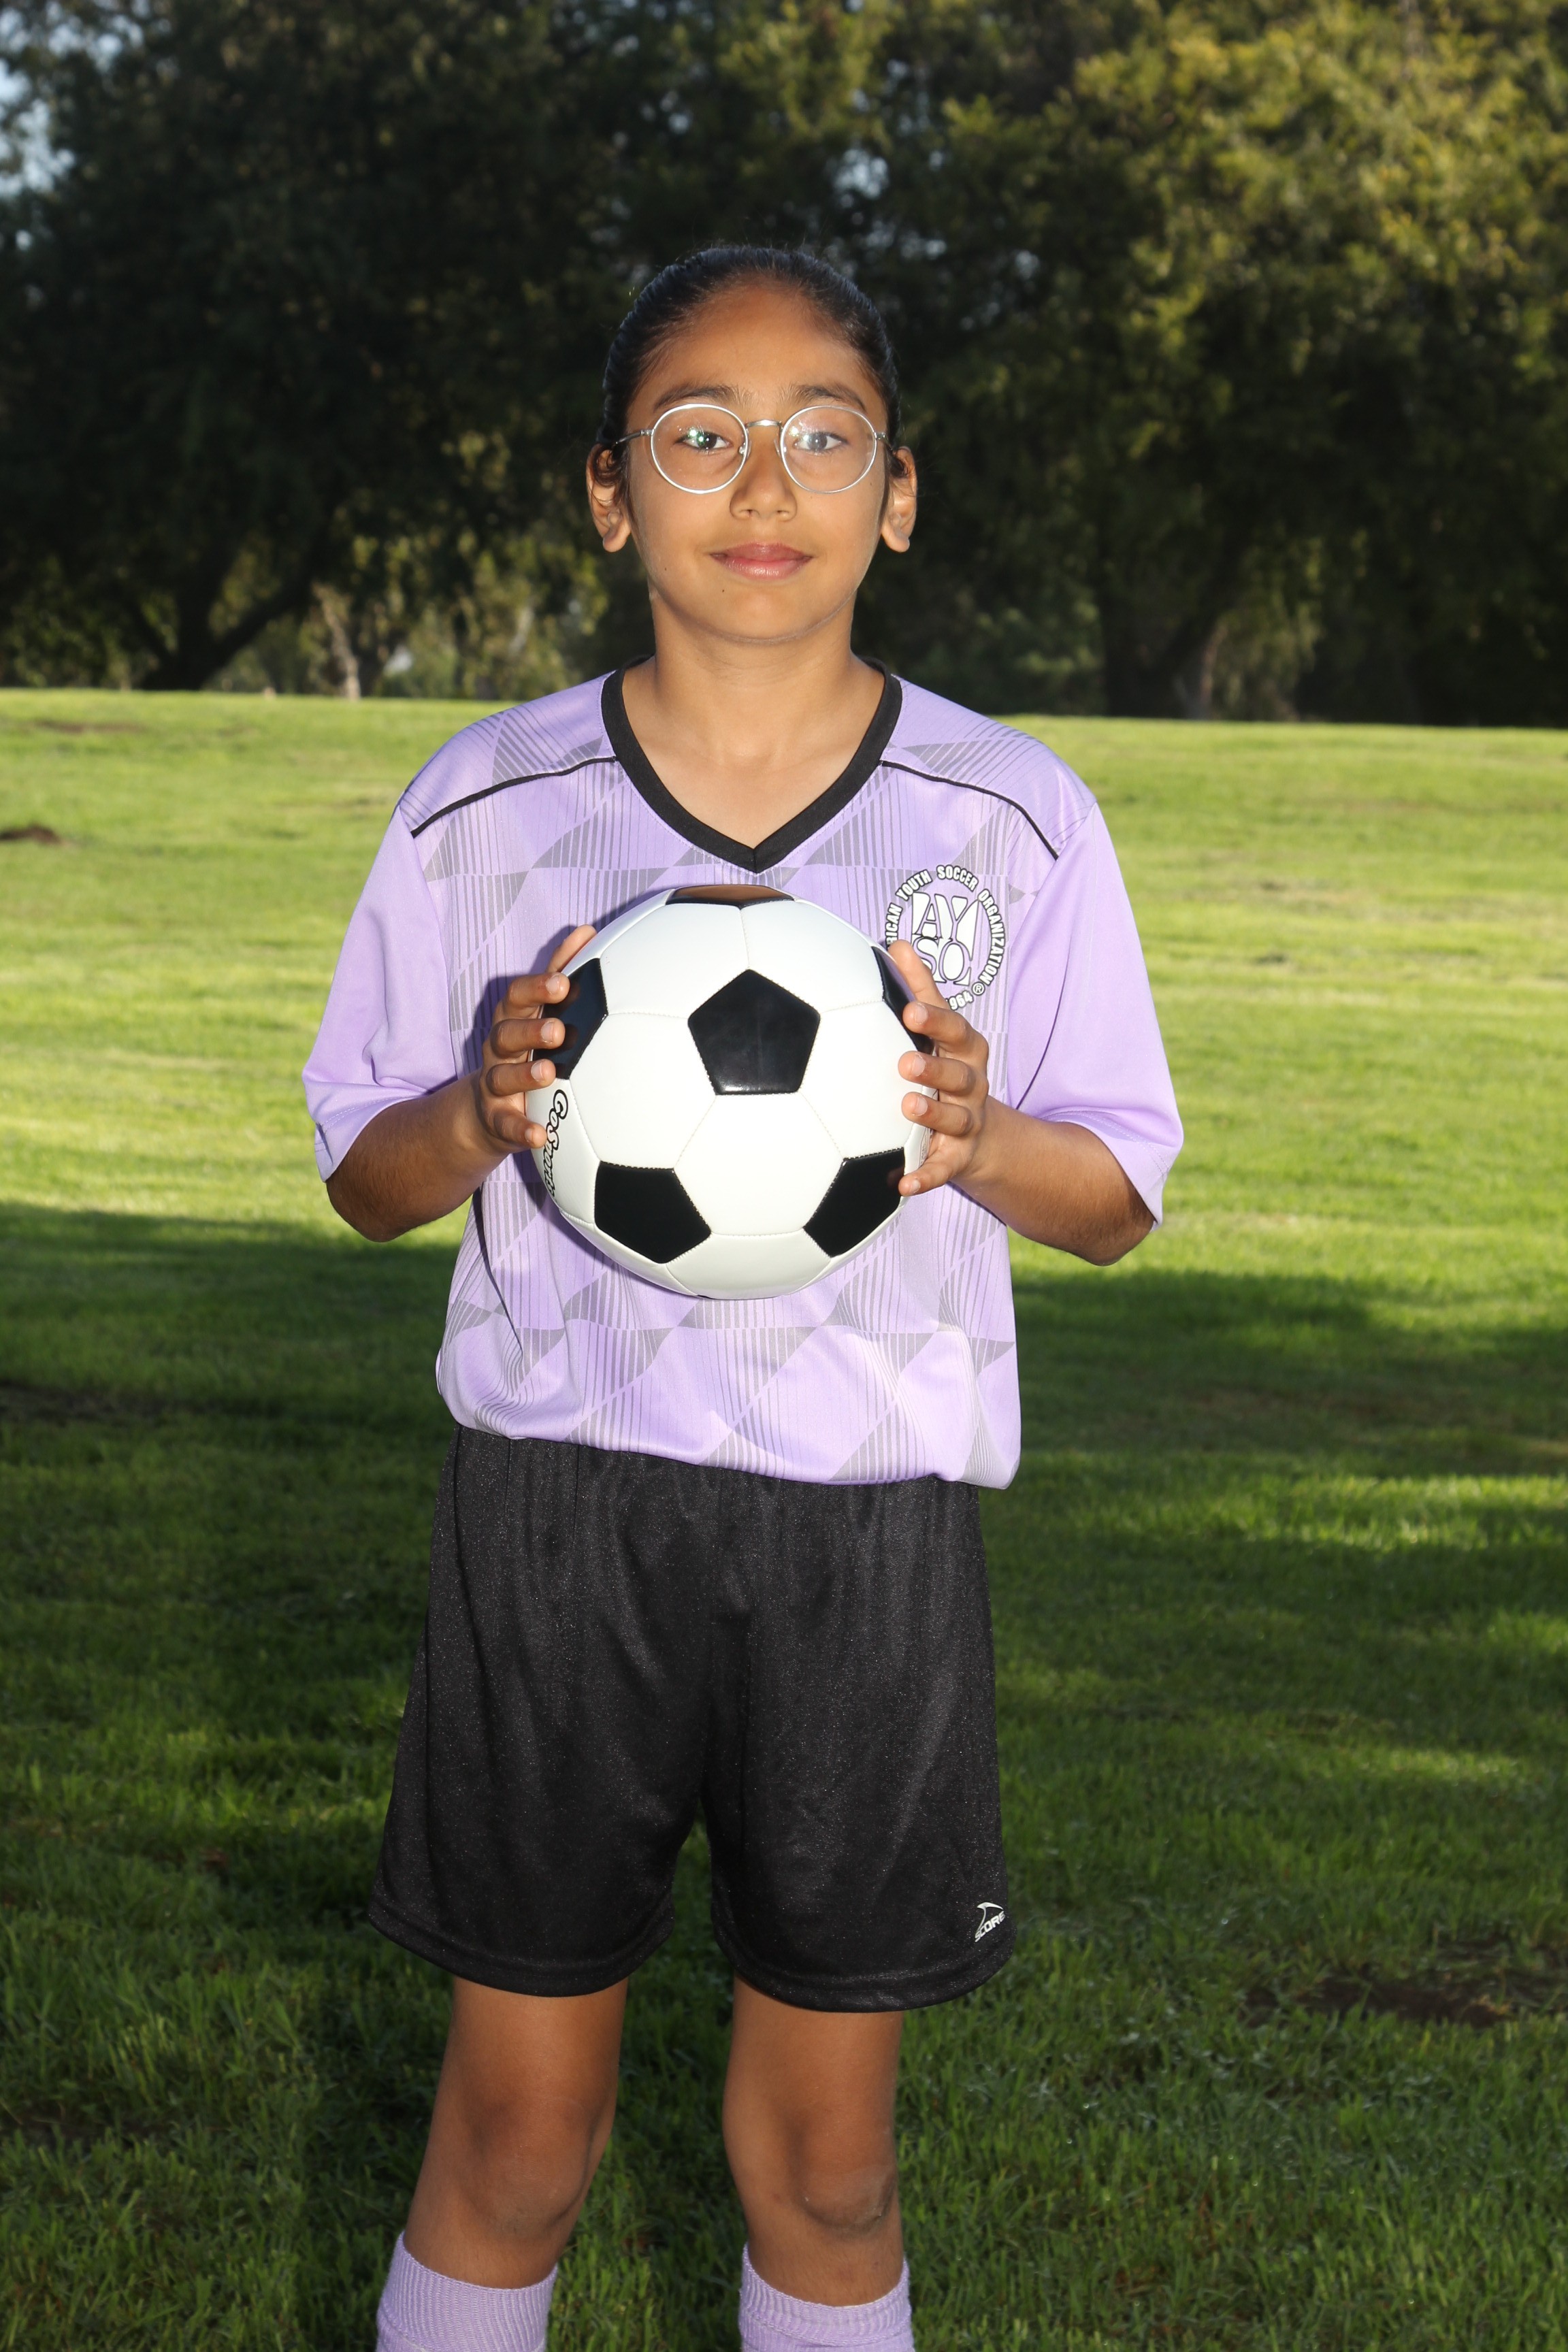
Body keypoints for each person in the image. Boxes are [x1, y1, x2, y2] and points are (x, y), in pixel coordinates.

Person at [304, 244, 1181, 2352]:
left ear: (900, 492)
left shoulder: (1013, 818)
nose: (762, 484)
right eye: (699, 435)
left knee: (828, 2163)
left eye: (823, 437)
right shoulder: (487, 804)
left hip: (867, 1539)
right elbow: (364, 1180)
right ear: (612, 493)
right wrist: (483, 1107)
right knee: (517, 2138)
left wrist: (978, 1133)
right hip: (557, 1521)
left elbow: (1116, 1200)